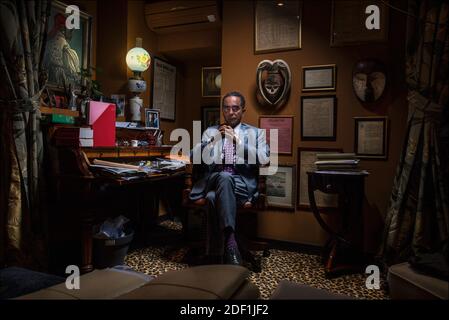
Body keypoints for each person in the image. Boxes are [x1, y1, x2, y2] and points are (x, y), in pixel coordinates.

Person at [190, 91, 270, 265]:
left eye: (235, 108)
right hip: (214, 180)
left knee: (212, 198)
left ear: (243, 110)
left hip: (242, 184)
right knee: (224, 177)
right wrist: (212, 140)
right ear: (222, 111)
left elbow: (264, 159)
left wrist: (238, 143)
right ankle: (231, 243)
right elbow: (193, 157)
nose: (231, 112)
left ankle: (214, 254)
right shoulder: (210, 131)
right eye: (227, 108)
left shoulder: (257, 133)